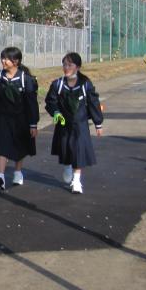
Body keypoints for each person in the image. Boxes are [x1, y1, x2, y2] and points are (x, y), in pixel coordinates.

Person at [44, 52, 104, 194]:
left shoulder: (85, 84)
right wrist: (56, 112)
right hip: (63, 125)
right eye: (64, 64)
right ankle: (67, 167)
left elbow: (94, 103)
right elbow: (50, 101)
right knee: (66, 149)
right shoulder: (58, 84)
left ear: (78, 67)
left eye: (70, 65)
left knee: (78, 150)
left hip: (80, 125)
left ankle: (77, 181)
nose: (66, 67)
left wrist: (98, 123)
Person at [0, 46, 39, 191]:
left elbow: (31, 103)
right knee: (1, 146)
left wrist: (33, 124)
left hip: (21, 119)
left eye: (6, 59)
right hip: (3, 118)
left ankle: (17, 172)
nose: (3, 61)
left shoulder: (25, 79)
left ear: (16, 61)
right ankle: (0, 176)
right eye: (2, 58)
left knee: (19, 147)